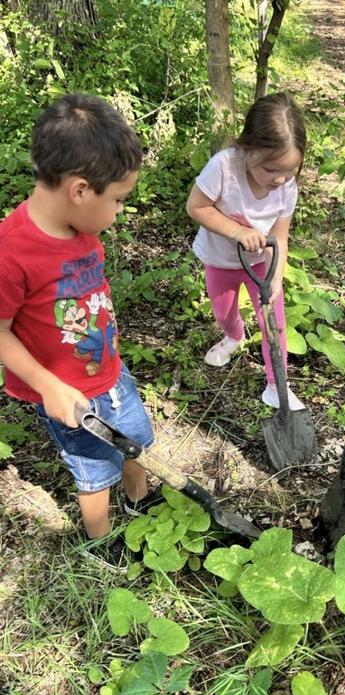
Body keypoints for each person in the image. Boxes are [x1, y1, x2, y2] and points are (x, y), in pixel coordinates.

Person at [0, 93, 161, 569]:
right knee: (95, 471)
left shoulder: (82, 230)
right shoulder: (12, 251)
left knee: (136, 442)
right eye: (118, 200)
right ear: (80, 190)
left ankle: (141, 502)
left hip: (112, 374)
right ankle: (102, 542)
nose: (120, 211)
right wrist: (48, 384)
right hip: (71, 398)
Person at [186, 92, 307, 411]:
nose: (280, 179)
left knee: (274, 324)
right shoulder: (224, 167)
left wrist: (276, 277)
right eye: (270, 169)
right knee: (224, 313)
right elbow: (196, 206)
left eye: (289, 171)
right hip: (221, 261)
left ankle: (276, 386)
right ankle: (234, 337)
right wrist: (238, 232)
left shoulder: (286, 186)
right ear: (247, 148)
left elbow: (279, 236)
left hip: (261, 265)